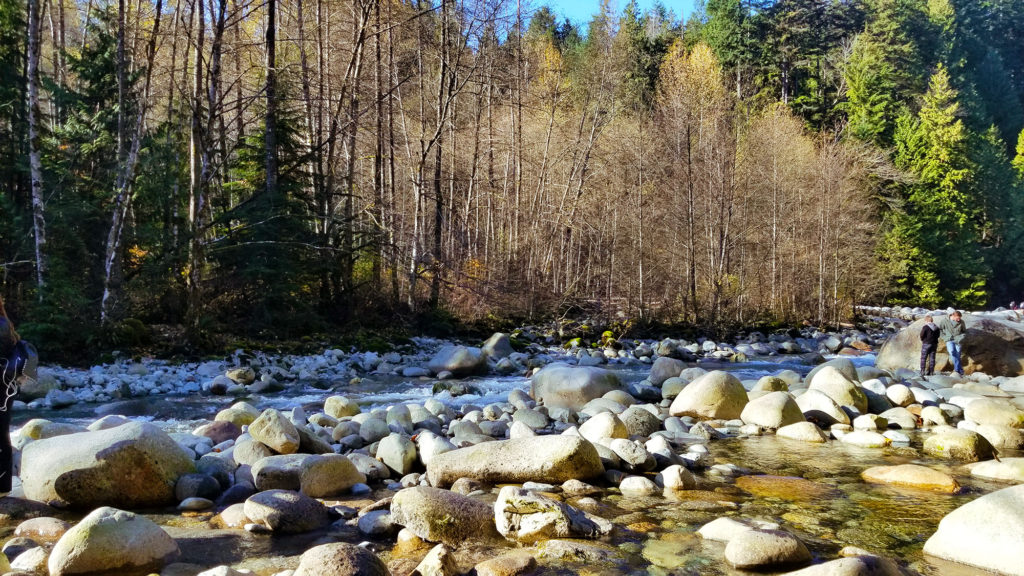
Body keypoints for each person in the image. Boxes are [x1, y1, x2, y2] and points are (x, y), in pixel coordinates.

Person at [0, 296, 19, 497]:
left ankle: (3, 485)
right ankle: (3, 486)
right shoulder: (6, 323)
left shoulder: (1, 324)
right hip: (6, 387)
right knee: (2, 433)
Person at [939, 310, 967, 376]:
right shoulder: (944, 321)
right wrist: (945, 338)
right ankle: (959, 369)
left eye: (959, 318)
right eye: (958, 318)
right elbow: (940, 330)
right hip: (949, 340)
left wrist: (961, 337)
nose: (959, 319)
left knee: (958, 354)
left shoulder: (961, 322)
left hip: (958, 340)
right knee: (951, 352)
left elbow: (964, 331)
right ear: (953, 316)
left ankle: (957, 370)